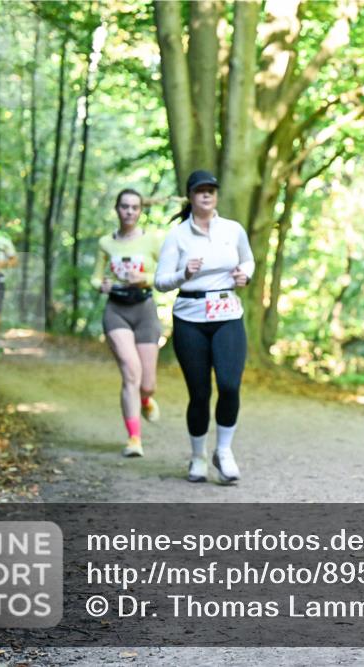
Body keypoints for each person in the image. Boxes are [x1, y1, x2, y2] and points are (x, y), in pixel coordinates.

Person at [155, 170, 254, 484]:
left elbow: (248, 260)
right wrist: (183, 274)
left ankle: (223, 451)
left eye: (211, 189)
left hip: (227, 315)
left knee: (229, 385)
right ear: (190, 196)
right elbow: (160, 281)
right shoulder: (177, 236)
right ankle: (197, 456)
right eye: (200, 190)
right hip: (190, 319)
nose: (207, 195)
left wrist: (245, 275)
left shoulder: (232, 230)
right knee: (199, 393)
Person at [91, 188, 164, 458]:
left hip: (144, 311)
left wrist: (145, 279)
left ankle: (145, 398)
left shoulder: (152, 241)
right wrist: (101, 285)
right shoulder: (105, 243)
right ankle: (134, 438)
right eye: (124, 206)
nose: (129, 212)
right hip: (116, 311)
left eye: (134, 207)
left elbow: (167, 274)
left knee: (147, 383)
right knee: (131, 372)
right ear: (117, 209)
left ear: (140, 211)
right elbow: (95, 277)